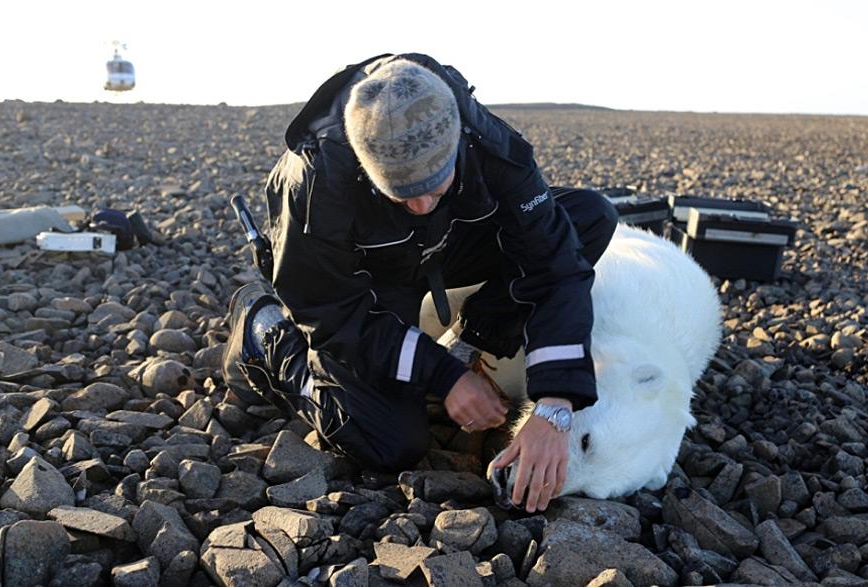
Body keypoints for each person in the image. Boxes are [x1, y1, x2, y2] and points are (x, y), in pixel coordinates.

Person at [222, 53, 618, 513]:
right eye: (401, 192)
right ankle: (265, 330)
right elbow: (329, 311)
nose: (422, 204)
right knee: (389, 441)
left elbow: (555, 265)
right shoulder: (316, 178)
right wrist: (441, 374)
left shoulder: (484, 139)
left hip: (450, 240)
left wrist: (554, 405)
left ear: (458, 145)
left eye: (436, 183)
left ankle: (476, 341)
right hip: (371, 275)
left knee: (587, 218)